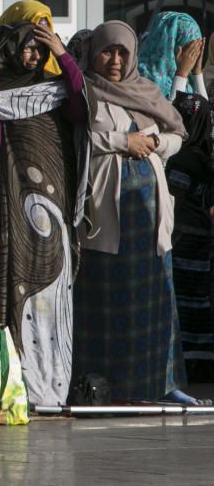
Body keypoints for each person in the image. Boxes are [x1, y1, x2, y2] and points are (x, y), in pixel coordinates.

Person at [0, 14, 91, 406]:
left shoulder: (55, 89)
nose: (34, 54)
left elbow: (82, 109)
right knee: (14, 289)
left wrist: (62, 53)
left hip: (55, 208)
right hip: (11, 211)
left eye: (40, 46)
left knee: (52, 296)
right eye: (27, 45)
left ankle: (52, 387)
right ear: (9, 46)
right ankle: (16, 385)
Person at [75, 21, 195, 404]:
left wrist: (156, 142)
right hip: (105, 217)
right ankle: (105, 385)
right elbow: (77, 139)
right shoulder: (82, 92)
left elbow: (177, 134)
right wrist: (122, 140)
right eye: (107, 52)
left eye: (122, 53)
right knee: (107, 301)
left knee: (154, 295)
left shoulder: (145, 90)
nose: (114, 60)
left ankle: (161, 383)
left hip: (148, 213)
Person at [138, 12, 214, 383]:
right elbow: (171, 117)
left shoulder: (189, 83)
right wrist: (182, 75)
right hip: (160, 191)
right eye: (187, 46)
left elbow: (202, 119)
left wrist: (196, 72)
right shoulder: (146, 80)